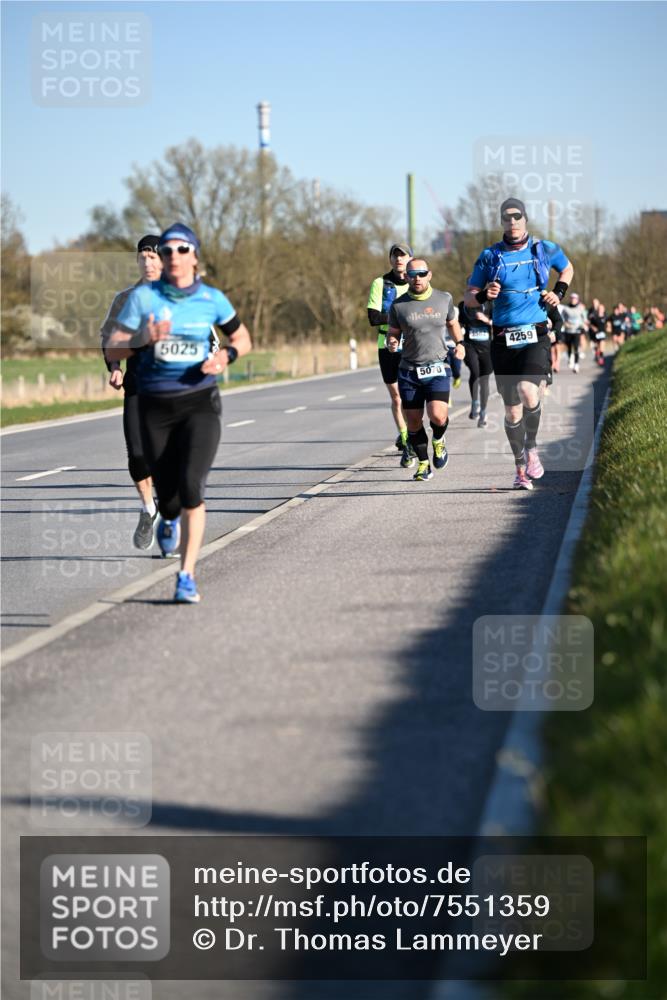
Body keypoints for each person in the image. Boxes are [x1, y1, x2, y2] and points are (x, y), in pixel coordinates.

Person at [106, 222, 252, 603]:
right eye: (164, 251)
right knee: (167, 493)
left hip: (200, 401)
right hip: (153, 403)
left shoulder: (211, 298)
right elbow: (113, 348)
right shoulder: (138, 300)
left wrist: (226, 356)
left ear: (194, 256)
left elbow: (241, 337)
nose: (171, 257)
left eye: (180, 250)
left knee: (192, 488)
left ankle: (186, 575)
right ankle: (164, 516)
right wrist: (141, 340)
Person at [465, 197, 574, 491]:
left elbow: (567, 269)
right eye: (506, 217)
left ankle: (533, 448)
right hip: (503, 338)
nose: (512, 222)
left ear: (525, 218)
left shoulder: (544, 248)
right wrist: (486, 294)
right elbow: (469, 298)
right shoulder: (489, 256)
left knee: (529, 390)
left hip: (535, 333)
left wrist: (558, 293)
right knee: (512, 412)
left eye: (516, 216)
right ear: (501, 221)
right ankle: (520, 469)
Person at [100, 235, 163, 549]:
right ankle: (148, 508)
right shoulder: (124, 299)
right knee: (137, 455)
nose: (148, 262)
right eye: (143, 257)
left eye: (154, 257)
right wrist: (113, 366)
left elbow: (209, 339)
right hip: (137, 387)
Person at [386, 258, 465, 481]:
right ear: (406, 277)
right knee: (412, 421)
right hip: (409, 371)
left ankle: (439, 441)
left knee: (438, 416)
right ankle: (423, 464)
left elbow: (452, 323)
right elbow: (393, 333)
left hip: (438, 366)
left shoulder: (444, 298)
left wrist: (460, 344)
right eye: (412, 274)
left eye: (421, 273)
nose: (417, 278)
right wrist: (392, 342)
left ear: (429, 274)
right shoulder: (398, 305)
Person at [367, 242, 413, 466]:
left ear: (409, 258)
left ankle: (411, 436)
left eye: (402, 255)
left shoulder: (417, 281)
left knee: (410, 395)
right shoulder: (380, 283)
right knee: (396, 396)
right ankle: (405, 438)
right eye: (394, 256)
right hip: (386, 344)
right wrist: (401, 318)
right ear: (390, 260)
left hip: (413, 344)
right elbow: (374, 318)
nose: (398, 259)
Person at [457, 297, 493, 426]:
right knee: (475, 372)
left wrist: (486, 320)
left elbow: (499, 323)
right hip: (470, 345)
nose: (473, 293)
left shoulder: (490, 303)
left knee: (484, 379)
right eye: (470, 290)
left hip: (487, 346)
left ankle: (483, 412)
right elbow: (459, 324)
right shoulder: (464, 305)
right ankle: (475, 403)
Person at [560, 292, 588, 373]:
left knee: (576, 347)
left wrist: (583, 326)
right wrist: (566, 324)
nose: (573, 300)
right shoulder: (566, 308)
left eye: (575, 299)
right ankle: (569, 358)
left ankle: (576, 364)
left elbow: (584, 319)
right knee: (569, 347)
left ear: (577, 300)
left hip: (577, 331)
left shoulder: (581, 308)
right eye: (572, 298)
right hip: (568, 331)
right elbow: (562, 319)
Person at [588, 301, 607, 367]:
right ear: (598, 309)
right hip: (596, 334)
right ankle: (597, 354)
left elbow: (608, 322)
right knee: (597, 347)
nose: (601, 309)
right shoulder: (594, 317)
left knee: (602, 346)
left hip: (603, 333)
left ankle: (601, 358)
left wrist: (609, 327)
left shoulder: (605, 316)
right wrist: (593, 328)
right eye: (600, 308)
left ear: (604, 309)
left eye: (602, 308)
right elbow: (590, 324)